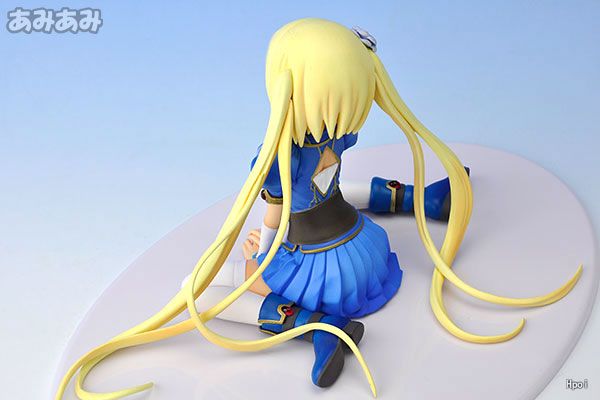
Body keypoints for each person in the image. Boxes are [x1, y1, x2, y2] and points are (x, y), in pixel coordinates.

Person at [56, 18, 582, 400]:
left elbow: (272, 218)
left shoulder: (278, 159)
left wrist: (260, 257)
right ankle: (421, 198)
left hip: (321, 274)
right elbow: (320, 185)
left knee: (198, 286)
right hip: (367, 249)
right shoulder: (338, 135)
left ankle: (318, 328)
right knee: (332, 187)